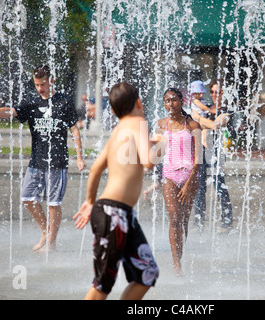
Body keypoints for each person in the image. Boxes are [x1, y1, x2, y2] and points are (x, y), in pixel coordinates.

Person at [0, 65, 86, 253]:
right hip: (36, 162)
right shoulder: (33, 104)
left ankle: (51, 243)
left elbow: (74, 129)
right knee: (27, 198)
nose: (40, 88)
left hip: (57, 163)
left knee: (53, 204)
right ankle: (45, 231)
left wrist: (79, 157)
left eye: (43, 84)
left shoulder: (64, 102)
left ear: (51, 80)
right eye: (36, 84)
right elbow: (10, 111)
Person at [73, 82, 160, 300]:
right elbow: (149, 162)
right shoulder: (139, 122)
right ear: (139, 103)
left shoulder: (118, 131)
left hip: (121, 214)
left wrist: (90, 201)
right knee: (104, 282)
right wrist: (163, 142)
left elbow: (95, 169)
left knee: (147, 273)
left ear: (112, 110)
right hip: (113, 213)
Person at [155, 88, 201, 275]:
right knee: (174, 218)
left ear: (182, 101)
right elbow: (157, 153)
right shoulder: (161, 124)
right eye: (167, 101)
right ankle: (177, 264)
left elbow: (198, 158)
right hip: (170, 177)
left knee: (183, 221)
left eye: (174, 100)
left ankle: (180, 254)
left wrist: (190, 183)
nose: (170, 104)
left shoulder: (193, 125)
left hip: (190, 176)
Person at [191, 79, 234, 230]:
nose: (215, 94)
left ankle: (227, 222)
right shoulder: (208, 108)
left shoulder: (226, 110)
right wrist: (203, 122)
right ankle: (199, 222)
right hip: (202, 150)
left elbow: (215, 125)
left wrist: (200, 119)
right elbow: (199, 125)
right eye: (213, 92)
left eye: (219, 92)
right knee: (200, 187)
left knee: (219, 185)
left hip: (218, 151)